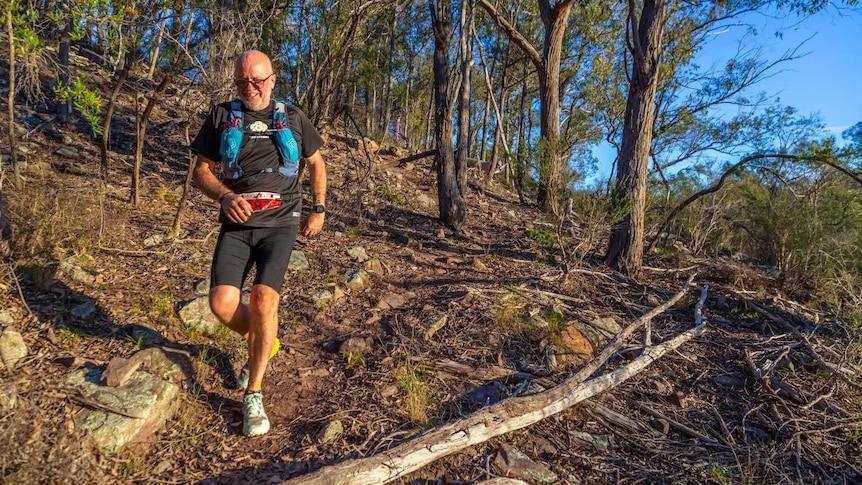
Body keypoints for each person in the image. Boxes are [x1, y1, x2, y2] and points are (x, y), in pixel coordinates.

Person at [190, 50, 326, 437]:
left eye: (258, 80)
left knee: (265, 300)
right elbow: (201, 170)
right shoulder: (221, 115)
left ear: (273, 79)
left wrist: (318, 208)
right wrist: (224, 197)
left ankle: (254, 392)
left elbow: (317, 163)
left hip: (281, 222)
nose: (250, 87)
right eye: (242, 81)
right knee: (221, 304)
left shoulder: (294, 116)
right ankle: (266, 341)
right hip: (237, 221)